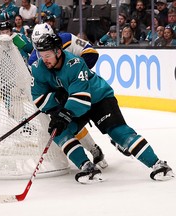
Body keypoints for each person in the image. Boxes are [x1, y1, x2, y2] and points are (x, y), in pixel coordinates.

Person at [31, 33, 174, 183]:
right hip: (73, 103)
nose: (44, 60)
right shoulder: (38, 68)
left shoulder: (75, 63)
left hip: (99, 98)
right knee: (58, 132)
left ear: (58, 52)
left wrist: (64, 113)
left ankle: (159, 165)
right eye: (41, 55)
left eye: (47, 55)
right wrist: (56, 105)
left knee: (118, 132)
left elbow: (82, 99)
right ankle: (87, 167)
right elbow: (39, 98)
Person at [29, 23, 108, 169]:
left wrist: (76, 77)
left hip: (81, 86)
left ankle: (112, 138)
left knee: (103, 112)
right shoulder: (34, 61)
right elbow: (42, 85)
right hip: (60, 96)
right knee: (66, 123)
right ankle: (93, 151)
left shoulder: (66, 38)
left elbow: (91, 53)